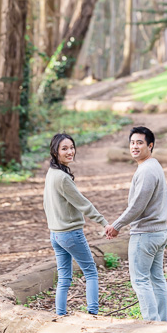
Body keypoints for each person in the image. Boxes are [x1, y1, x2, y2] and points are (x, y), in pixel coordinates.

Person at [105, 125, 167, 321]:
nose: (134, 146)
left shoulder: (147, 170)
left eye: (139, 143)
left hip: (146, 234)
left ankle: (152, 324)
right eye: (132, 143)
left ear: (150, 145)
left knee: (140, 280)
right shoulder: (153, 165)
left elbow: (137, 206)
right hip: (159, 232)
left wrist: (116, 225)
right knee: (156, 279)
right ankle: (162, 323)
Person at [43, 132, 107, 316]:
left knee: (64, 278)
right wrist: (103, 222)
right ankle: (93, 314)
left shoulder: (52, 173)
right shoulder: (62, 178)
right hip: (70, 233)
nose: (70, 151)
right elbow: (83, 203)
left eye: (71, 147)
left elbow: (46, 204)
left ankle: (60, 315)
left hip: (56, 234)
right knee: (91, 272)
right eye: (64, 149)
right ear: (55, 152)